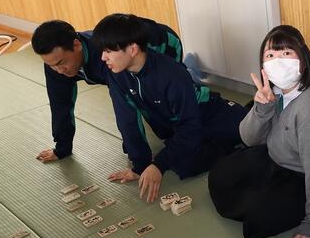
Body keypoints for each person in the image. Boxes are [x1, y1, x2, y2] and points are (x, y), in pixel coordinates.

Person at [208, 25, 310, 238]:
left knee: (259, 218)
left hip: (307, 173)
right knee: (220, 176)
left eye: (286, 52)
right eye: (270, 55)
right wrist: (262, 108)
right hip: (277, 155)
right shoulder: (276, 88)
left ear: (303, 58)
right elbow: (248, 139)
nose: (278, 61)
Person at [93, 13, 247, 202]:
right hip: (179, 123)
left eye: (108, 51)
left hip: (209, 111)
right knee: (184, 165)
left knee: (250, 133)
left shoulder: (171, 75)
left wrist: (158, 164)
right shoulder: (116, 75)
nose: (103, 57)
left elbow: (189, 125)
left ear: (132, 49)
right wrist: (140, 166)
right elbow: (127, 120)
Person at [30, 16, 183, 163]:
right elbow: (60, 105)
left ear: (76, 45)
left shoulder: (109, 58)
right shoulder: (55, 64)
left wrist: (139, 161)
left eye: (61, 63)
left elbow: (126, 108)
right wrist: (62, 148)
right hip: (126, 58)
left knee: (159, 108)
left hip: (162, 44)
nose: (58, 70)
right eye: (51, 65)